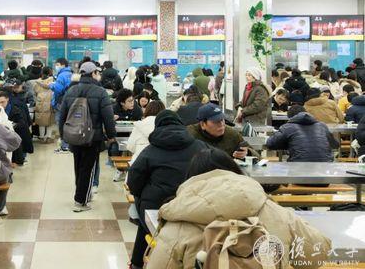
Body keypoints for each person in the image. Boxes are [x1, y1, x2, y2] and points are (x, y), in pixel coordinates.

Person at [145, 149, 331, 269]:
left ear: (191, 178)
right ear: (234, 171)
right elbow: (318, 254)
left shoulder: (179, 224)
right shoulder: (274, 211)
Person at [126, 110, 208, 269]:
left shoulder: (150, 151)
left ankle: (137, 263)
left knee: (143, 210)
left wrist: (142, 195)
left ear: (157, 127)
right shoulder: (200, 146)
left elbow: (133, 181)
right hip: (192, 206)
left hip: (158, 207)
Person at [59, 61, 117, 212]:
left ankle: (81, 194)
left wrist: (63, 135)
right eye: (97, 73)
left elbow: (62, 115)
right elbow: (108, 117)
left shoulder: (71, 90)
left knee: (78, 166)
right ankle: (81, 201)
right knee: (89, 168)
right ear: (93, 74)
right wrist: (111, 135)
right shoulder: (100, 92)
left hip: (74, 135)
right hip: (93, 136)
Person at [266, 105, 338, 162]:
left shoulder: (287, 127)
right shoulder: (322, 126)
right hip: (325, 166)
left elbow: (271, 144)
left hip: (298, 165)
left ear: (290, 118)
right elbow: (335, 144)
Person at [187, 103, 251, 158]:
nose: (221, 124)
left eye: (222, 120)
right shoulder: (189, 135)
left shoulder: (232, 134)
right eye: (216, 121)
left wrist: (247, 152)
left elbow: (255, 153)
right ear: (203, 124)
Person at [0, 91, 31, 166]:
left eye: (2, 102)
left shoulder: (15, 110)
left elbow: (22, 123)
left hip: (15, 136)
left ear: (7, 99)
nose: (0, 104)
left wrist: (11, 126)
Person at [50, 58, 72, 153]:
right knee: (69, 123)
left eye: (57, 64)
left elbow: (58, 89)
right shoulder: (71, 74)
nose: (56, 66)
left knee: (61, 123)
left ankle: (64, 146)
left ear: (63, 65)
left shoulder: (62, 75)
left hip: (61, 102)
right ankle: (69, 145)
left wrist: (51, 85)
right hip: (70, 102)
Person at [34, 66, 54, 142]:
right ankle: (48, 137)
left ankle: (42, 137)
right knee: (50, 120)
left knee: (41, 120)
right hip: (50, 100)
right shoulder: (52, 81)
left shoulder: (37, 82)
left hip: (40, 101)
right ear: (49, 72)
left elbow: (35, 91)